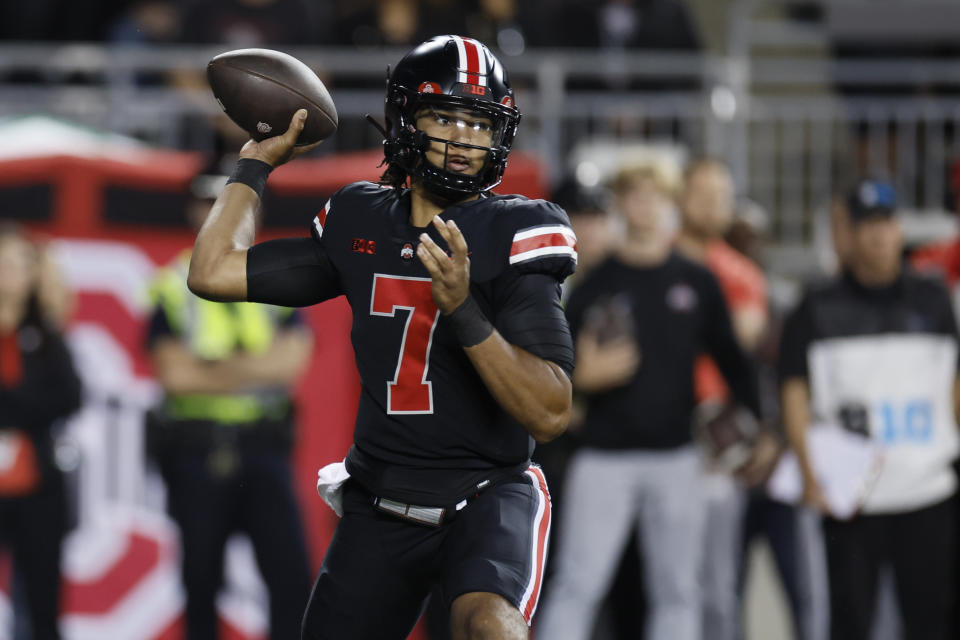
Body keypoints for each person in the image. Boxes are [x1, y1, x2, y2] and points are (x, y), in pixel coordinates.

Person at [186, 36, 576, 639]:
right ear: (404, 121)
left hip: (486, 494)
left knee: (491, 627)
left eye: (478, 122)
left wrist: (465, 312)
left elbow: (550, 412)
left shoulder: (517, 229)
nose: (464, 138)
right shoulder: (358, 218)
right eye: (444, 116)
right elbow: (211, 271)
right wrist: (255, 164)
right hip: (380, 501)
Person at [535, 163, 758, 640]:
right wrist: (583, 380)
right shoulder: (594, 284)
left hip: (678, 455)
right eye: (634, 195)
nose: (644, 205)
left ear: (670, 203)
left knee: (677, 589)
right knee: (578, 583)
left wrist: (758, 428)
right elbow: (551, 372)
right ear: (619, 202)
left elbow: (737, 364)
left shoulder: (696, 281)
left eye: (654, 195)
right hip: (602, 457)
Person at [780, 179, 959, 640]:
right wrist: (808, 469)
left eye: (887, 223)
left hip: (927, 489)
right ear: (850, 234)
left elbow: (952, 383)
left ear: (900, 229)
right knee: (851, 622)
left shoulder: (933, 299)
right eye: (868, 226)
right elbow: (794, 392)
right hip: (854, 496)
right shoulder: (816, 307)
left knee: (932, 620)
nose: (880, 236)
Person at [145, 173, 314, 640]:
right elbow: (174, 376)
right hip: (195, 449)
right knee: (200, 582)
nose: (221, 216)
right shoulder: (170, 282)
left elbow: (292, 363)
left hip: (264, 446)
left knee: (291, 578)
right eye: (210, 204)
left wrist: (211, 369)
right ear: (193, 212)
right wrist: (253, 368)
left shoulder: (275, 269)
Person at [673, 158, 784, 640]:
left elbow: (740, 351)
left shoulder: (741, 274)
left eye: (722, 195)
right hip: (655, 435)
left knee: (716, 586)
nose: (712, 205)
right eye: (702, 193)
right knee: (660, 582)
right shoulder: (653, 259)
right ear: (681, 197)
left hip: (714, 443)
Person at [0, 224, 83, 640]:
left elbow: (69, 396)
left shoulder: (46, 335)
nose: (10, 273)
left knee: (41, 603)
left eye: (20, 264)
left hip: (37, 485)